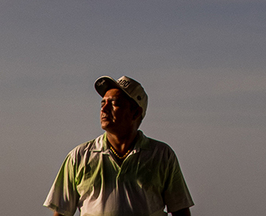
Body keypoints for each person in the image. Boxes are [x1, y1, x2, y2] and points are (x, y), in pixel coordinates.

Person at [45, 75, 194, 216]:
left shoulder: (161, 155)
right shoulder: (79, 156)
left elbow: (180, 209)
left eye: (114, 103)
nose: (104, 109)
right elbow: (62, 212)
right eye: (103, 103)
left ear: (135, 113)